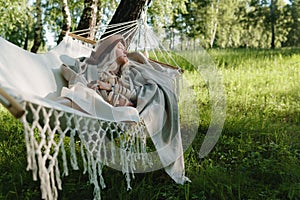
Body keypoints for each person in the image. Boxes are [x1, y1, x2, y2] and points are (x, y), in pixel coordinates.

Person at [57, 34, 190, 185]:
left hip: (131, 99)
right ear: (109, 52)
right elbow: (125, 98)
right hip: (109, 105)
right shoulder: (95, 71)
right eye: (120, 48)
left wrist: (116, 81)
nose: (125, 51)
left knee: (157, 94)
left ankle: (169, 165)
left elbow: (135, 92)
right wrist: (110, 87)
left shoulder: (128, 70)